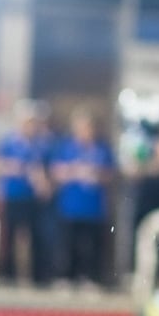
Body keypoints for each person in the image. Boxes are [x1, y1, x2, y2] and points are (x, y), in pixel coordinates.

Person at [50, 109, 117, 288]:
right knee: (67, 244)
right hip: (70, 205)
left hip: (93, 207)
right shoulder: (65, 147)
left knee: (91, 245)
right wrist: (74, 170)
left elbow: (111, 174)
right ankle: (65, 277)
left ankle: (89, 278)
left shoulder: (103, 148)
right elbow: (56, 172)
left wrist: (95, 173)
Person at [0, 100, 53, 285]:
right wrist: (14, 168)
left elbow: (45, 170)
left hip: (32, 197)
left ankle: (37, 277)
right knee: (10, 235)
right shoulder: (8, 142)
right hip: (14, 195)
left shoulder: (40, 145)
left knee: (35, 236)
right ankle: (7, 275)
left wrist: (42, 183)